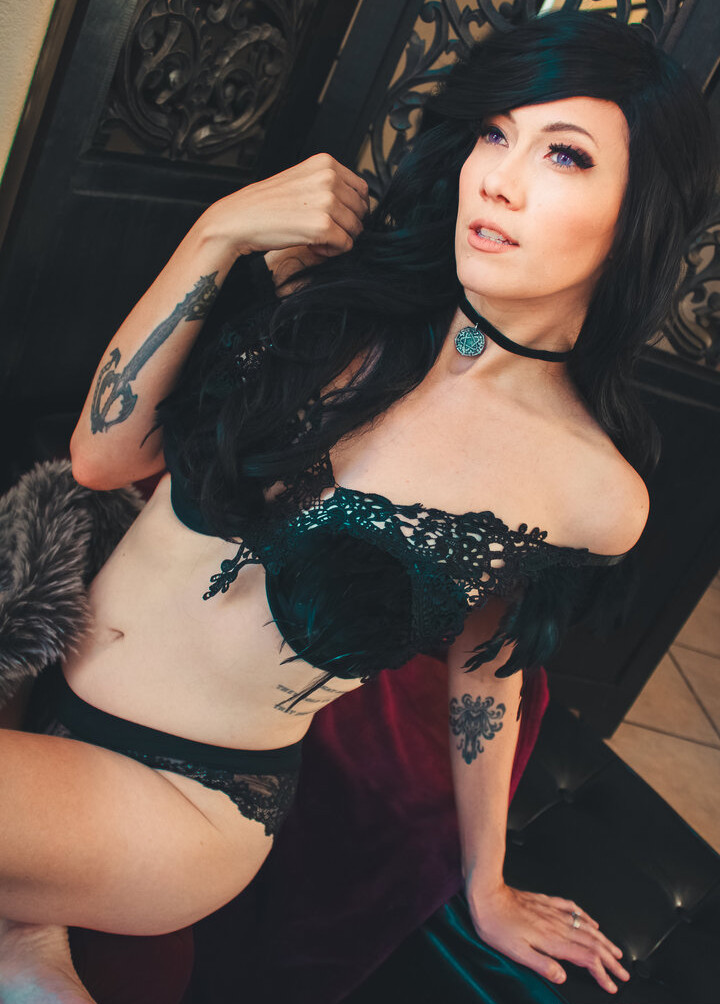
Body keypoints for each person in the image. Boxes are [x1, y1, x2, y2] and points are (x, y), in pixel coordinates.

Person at [0, 9, 717, 1002]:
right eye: (494, 133)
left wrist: (487, 883)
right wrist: (220, 231)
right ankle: (27, 944)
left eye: (564, 154)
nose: (499, 178)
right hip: (35, 689)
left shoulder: (593, 491)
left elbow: (489, 667)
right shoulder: (350, 310)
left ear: (640, 211)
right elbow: (103, 453)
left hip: (179, 799)